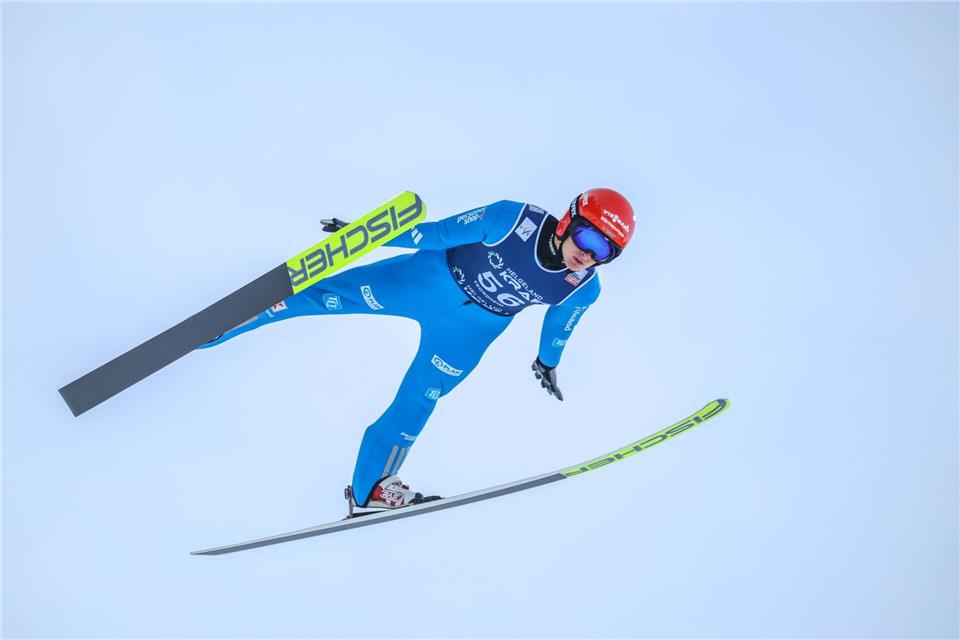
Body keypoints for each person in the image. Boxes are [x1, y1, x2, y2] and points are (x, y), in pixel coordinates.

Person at [199, 188, 636, 514]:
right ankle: (234, 321)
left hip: (469, 332)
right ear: (567, 221)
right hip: (427, 281)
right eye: (587, 239)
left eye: (605, 253)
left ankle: (371, 488)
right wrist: (364, 235)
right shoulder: (510, 219)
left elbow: (560, 325)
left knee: (417, 404)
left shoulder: (583, 287)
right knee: (326, 295)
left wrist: (547, 362)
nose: (588, 255)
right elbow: (435, 234)